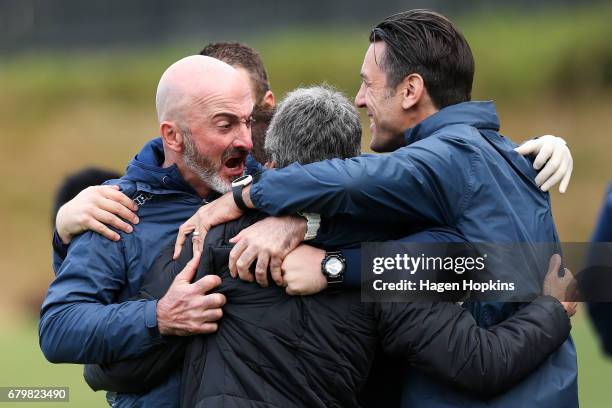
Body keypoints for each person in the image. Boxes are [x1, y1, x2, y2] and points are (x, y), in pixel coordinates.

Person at [174, 10, 578, 407]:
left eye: (368, 83)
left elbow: (349, 184)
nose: (360, 99)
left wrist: (247, 199)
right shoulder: (509, 159)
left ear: (410, 90)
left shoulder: (447, 159)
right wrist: (308, 227)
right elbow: (465, 261)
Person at [80, 86, 575, 407]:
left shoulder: (213, 246)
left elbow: (114, 367)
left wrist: (144, 344)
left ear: (271, 163)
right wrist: (551, 310)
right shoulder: (389, 260)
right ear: (353, 164)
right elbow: (480, 363)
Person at [39, 55, 254, 407]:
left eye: (247, 122)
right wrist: (158, 317)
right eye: (225, 125)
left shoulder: (272, 190)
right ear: (173, 135)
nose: (245, 140)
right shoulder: (115, 209)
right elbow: (59, 328)